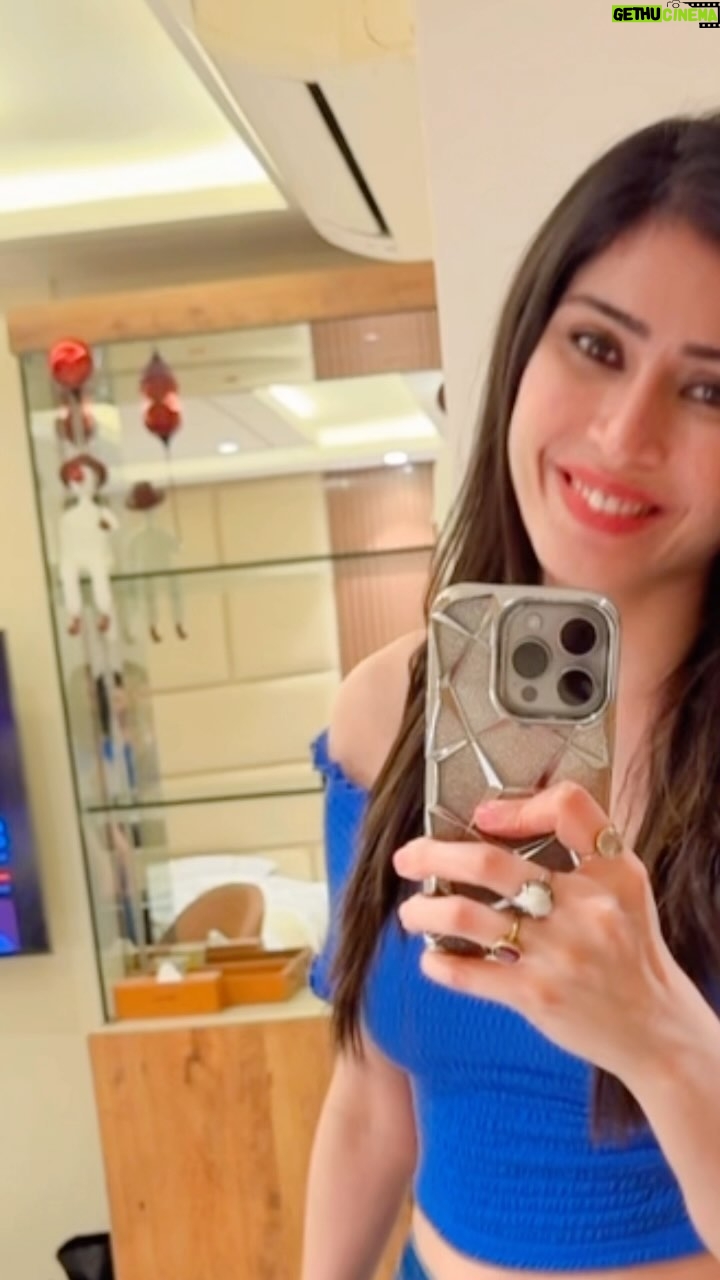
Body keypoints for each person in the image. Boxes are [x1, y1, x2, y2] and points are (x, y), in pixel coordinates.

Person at [301, 110, 720, 1280]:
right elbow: (371, 1101)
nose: (623, 434)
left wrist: (661, 1033)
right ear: (526, 346)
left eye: (710, 391)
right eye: (596, 346)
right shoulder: (381, 719)